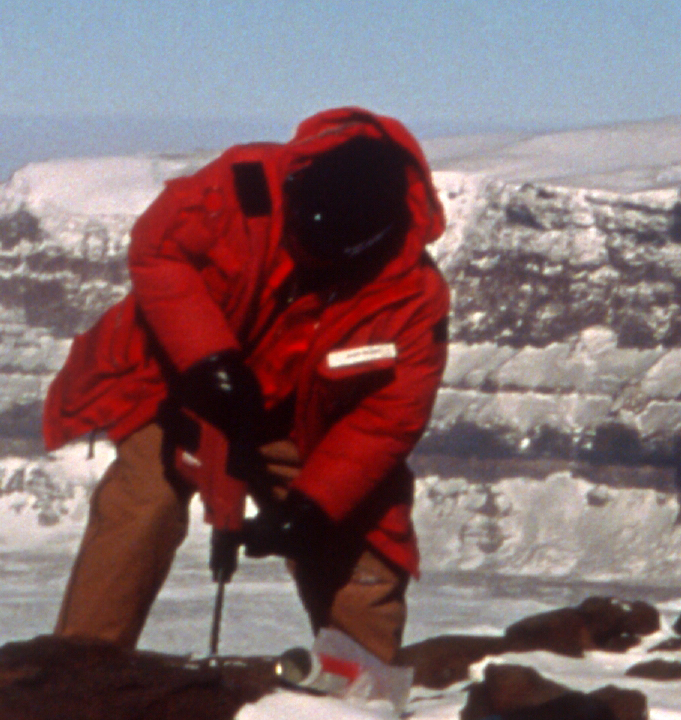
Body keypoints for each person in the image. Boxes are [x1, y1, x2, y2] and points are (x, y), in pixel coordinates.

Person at [41, 106, 449, 666]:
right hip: (175, 383)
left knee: (358, 543)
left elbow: (387, 419)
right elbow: (157, 248)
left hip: (302, 420)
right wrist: (209, 361)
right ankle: (75, 676)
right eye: (301, 236)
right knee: (144, 506)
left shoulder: (413, 298)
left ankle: (362, 700)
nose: (303, 254)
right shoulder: (244, 187)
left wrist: (311, 509)